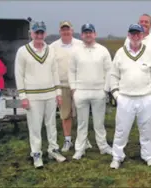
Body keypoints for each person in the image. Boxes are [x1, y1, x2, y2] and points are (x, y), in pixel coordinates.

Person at [15, 21, 66, 168]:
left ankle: (53, 149)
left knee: (51, 124)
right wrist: (23, 97)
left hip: (50, 94)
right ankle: (36, 154)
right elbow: (19, 75)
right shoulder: (23, 51)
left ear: (45, 34)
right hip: (33, 96)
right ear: (31, 34)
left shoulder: (50, 50)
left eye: (41, 32)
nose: (39, 35)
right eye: (36, 32)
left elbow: (54, 72)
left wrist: (58, 93)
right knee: (35, 126)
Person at [109, 24, 151, 169]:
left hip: (146, 97)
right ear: (128, 35)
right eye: (133, 34)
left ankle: (147, 155)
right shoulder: (120, 52)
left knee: (146, 129)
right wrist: (116, 93)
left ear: (142, 35)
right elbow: (113, 74)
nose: (135, 36)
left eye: (138, 34)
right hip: (125, 98)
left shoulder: (149, 52)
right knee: (121, 129)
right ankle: (117, 156)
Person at [68, 23, 112, 160]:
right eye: (85, 32)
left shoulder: (103, 50)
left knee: (99, 123)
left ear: (95, 34)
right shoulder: (75, 51)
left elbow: (109, 71)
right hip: (81, 92)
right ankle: (79, 149)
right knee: (82, 123)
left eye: (90, 32)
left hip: (99, 91)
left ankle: (103, 146)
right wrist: (74, 89)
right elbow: (71, 71)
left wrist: (106, 89)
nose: (88, 35)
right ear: (81, 35)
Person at [49, 21, 92, 152]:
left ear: (72, 31)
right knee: (65, 114)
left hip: (79, 85)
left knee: (81, 113)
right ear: (60, 31)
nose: (66, 32)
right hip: (62, 85)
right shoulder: (53, 47)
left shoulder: (80, 44)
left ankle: (84, 139)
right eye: (63, 30)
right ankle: (68, 140)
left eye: (68, 29)